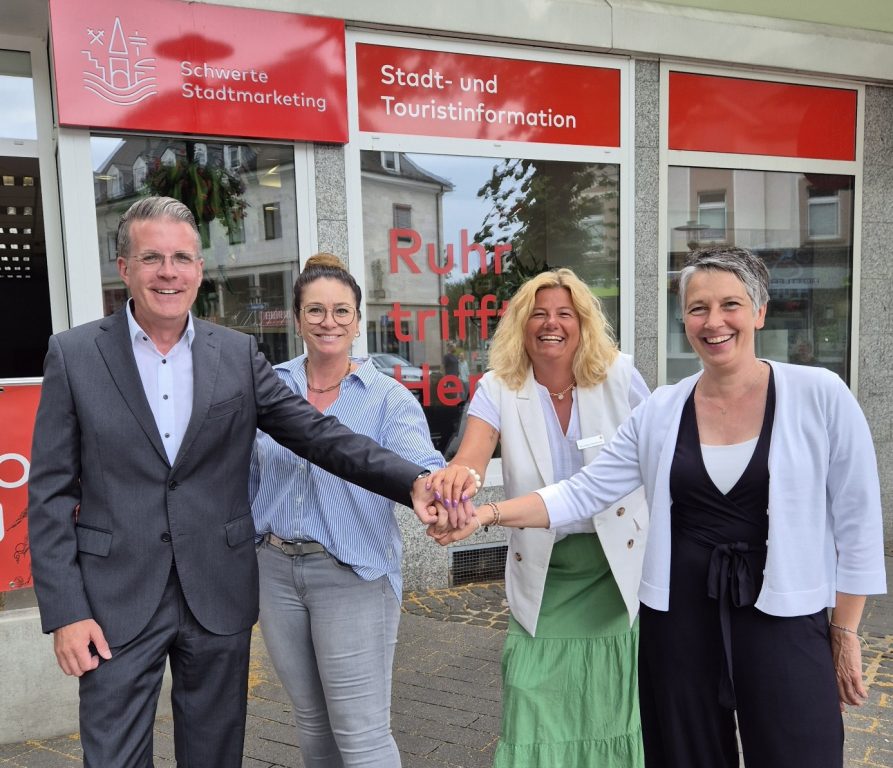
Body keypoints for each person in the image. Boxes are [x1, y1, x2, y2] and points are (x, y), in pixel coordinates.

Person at [431, 246, 887, 768]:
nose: (714, 322)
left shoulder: (820, 395)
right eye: (698, 308)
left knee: (800, 751)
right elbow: (583, 491)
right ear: (684, 320)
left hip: (783, 616)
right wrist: (484, 515)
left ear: (759, 311)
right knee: (685, 754)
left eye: (730, 305)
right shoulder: (664, 409)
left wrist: (845, 630)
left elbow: (857, 522)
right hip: (681, 619)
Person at [27, 197, 438, 768]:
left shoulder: (236, 354)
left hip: (216, 594)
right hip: (113, 600)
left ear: (199, 270)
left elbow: (317, 435)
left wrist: (413, 482)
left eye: (181, 258)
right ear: (124, 268)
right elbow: (49, 494)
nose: (168, 272)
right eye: (152, 257)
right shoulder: (74, 355)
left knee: (215, 755)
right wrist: (66, 611)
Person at [434, 268, 650, 767]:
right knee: (529, 695)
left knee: (609, 707)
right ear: (521, 325)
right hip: (545, 572)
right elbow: (472, 456)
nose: (551, 324)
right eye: (539, 314)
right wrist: (456, 482)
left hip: (614, 571)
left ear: (583, 323)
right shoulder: (498, 387)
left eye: (564, 314)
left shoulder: (620, 377)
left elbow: (661, 452)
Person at [250, 253, 444, 767]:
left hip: (352, 575)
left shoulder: (387, 398)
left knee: (361, 736)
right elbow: (246, 476)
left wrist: (444, 495)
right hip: (275, 573)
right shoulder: (269, 388)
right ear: (297, 320)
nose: (328, 322)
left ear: (358, 321)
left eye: (341, 311)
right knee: (312, 723)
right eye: (315, 310)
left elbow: (422, 469)